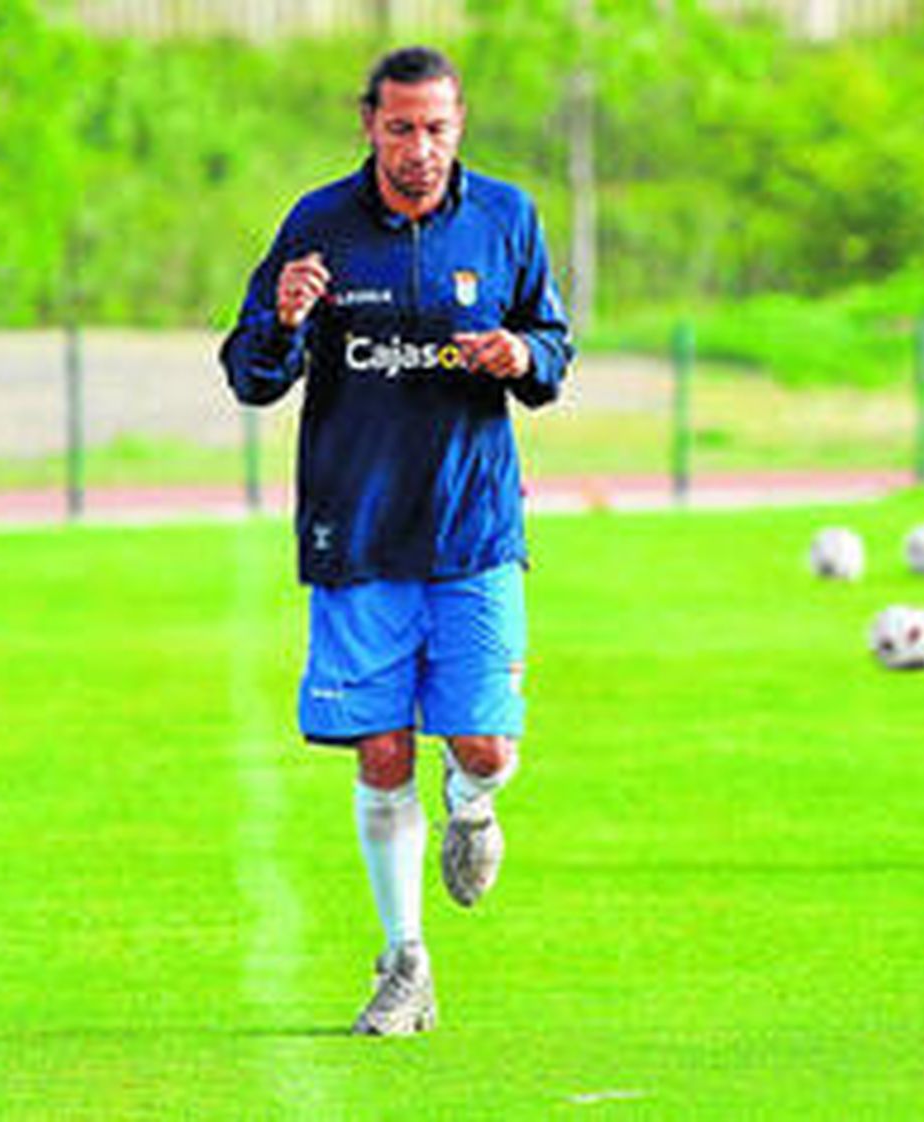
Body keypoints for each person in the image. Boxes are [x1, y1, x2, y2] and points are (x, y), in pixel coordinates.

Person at [220, 45, 572, 1036]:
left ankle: (472, 798)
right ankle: (404, 962)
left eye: (437, 128)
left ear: (460, 126)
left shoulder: (505, 218)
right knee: (379, 751)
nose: (420, 148)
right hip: (359, 531)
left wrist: (521, 352)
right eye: (402, 128)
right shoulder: (318, 224)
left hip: (472, 528)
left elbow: (553, 348)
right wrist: (283, 319)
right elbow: (250, 372)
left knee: (485, 744)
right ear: (369, 126)